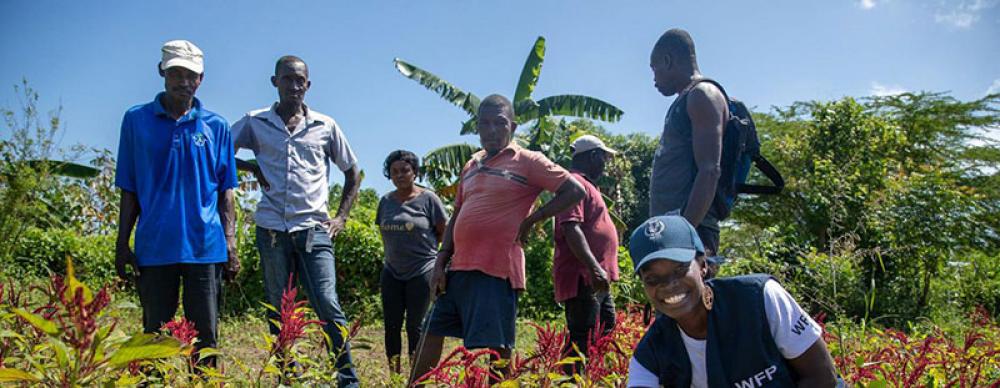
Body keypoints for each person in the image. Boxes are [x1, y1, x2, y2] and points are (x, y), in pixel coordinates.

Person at [409, 94, 585, 384]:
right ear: (477, 127)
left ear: (513, 127)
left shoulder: (528, 161)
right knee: (431, 331)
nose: (491, 130)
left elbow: (573, 190)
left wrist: (532, 219)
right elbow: (457, 215)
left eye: (499, 123)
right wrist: (441, 262)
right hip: (457, 270)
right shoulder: (471, 165)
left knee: (498, 348)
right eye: (484, 123)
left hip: (496, 269)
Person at [231, 55, 361, 387]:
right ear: (275, 82)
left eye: (299, 80)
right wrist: (251, 167)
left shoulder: (325, 126)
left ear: (308, 85)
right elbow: (219, 153)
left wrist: (341, 218)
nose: (293, 86)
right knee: (279, 310)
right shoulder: (255, 122)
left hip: (314, 230)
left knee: (328, 306)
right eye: (287, 79)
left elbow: (352, 173)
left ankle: (347, 380)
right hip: (272, 229)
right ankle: (289, 377)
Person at [114, 40, 240, 366]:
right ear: (162, 72)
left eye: (192, 75)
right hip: (155, 247)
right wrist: (121, 243)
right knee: (153, 338)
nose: (184, 81)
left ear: (201, 79)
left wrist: (231, 243)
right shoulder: (136, 121)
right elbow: (129, 188)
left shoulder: (216, 126)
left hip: (205, 247)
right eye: (177, 73)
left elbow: (226, 191)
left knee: (206, 338)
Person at [626, 215, 838, 387]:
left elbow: (822, 376)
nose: (668, 284)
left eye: (680, 269)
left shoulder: (759, 299)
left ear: (702, 265)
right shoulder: (649, 356)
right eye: (653, 279)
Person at [648, 28, 728, 275]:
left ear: (668, 60)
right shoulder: (684, 100)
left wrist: (684, 235)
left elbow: (710, 170)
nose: (654, 79)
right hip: (673, 232)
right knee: (672, 310)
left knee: (695, 308)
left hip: (691, 234)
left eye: (654, 69)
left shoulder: (702, 95)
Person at [375, 150, 448, 374]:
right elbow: (383, 231)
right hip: (392, 272)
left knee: (415, 326)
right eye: (394, 171)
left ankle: (417, 376)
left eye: (405, 170)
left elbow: (443, 234)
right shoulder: (386, 201)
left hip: (422, 271)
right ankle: (395, 375)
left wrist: (438, 266)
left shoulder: (428, 199)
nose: (400, 175)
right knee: (392, 326)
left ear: (414, 172)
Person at [552, 135, 621, 372]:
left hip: (596, 277)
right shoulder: (573, 184)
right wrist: (594, 267)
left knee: (605, 328)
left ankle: (588, 377)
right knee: (582, 336)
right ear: (593, 156)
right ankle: (570, 381)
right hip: (584, 276)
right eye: (603, 157)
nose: (605, 163)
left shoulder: (589, 186)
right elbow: (571, 227)